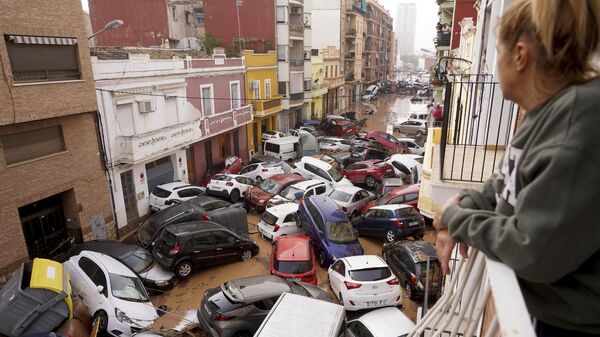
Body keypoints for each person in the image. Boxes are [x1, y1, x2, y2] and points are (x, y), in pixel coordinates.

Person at [433, 0, 600, 336]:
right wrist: (468, 202)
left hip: (567, 326)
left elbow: (532, 250)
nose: (495, 62)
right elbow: (504, 181)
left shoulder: (576, 123)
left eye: (498, 51)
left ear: (520, 56)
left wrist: (456, 219)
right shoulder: (546, 111)